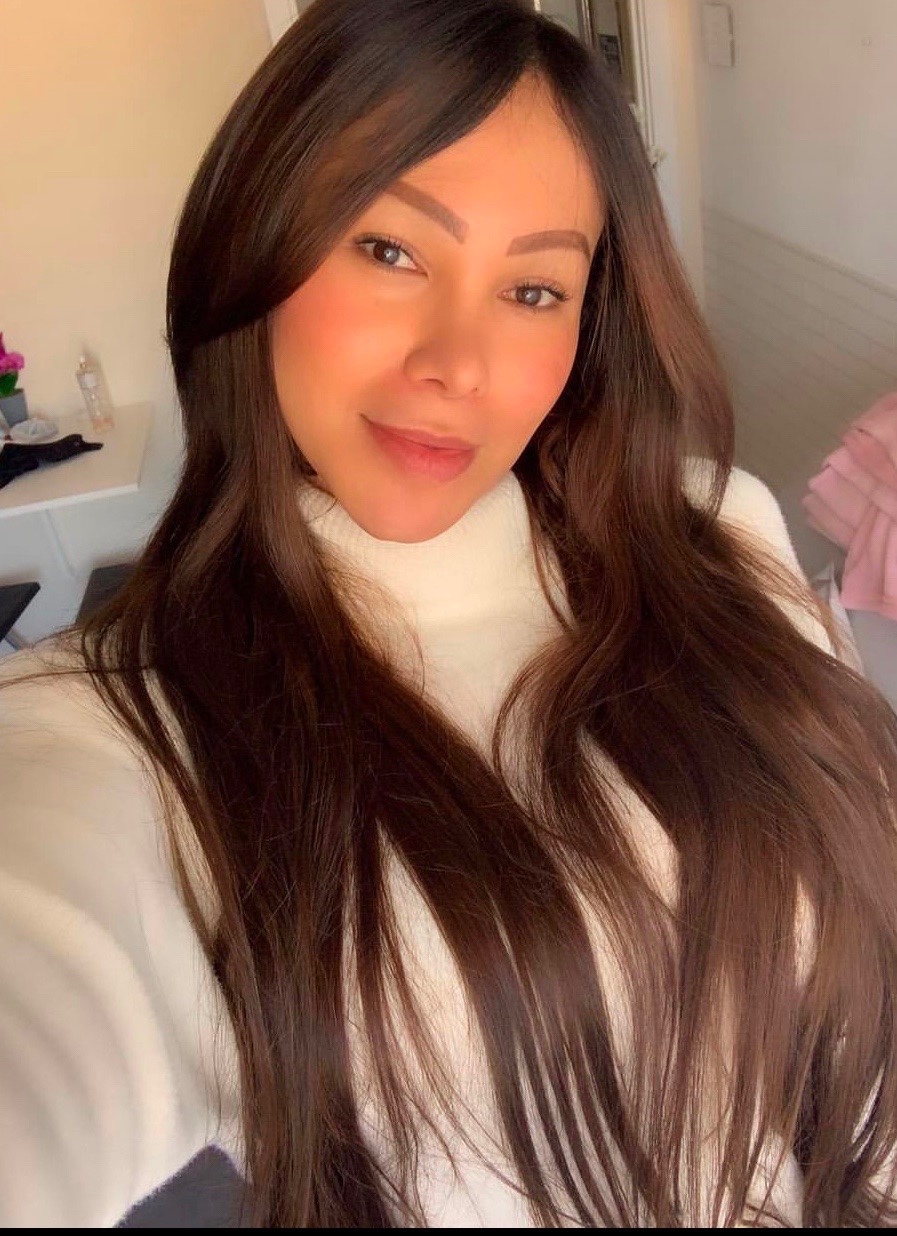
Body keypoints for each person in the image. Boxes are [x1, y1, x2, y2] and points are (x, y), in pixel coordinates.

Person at [2, 0, 897, 1226]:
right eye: (389, 251)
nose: (458, 363)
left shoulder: (717, 530)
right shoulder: (116, 728)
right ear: (252, 246)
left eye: (533, 289)